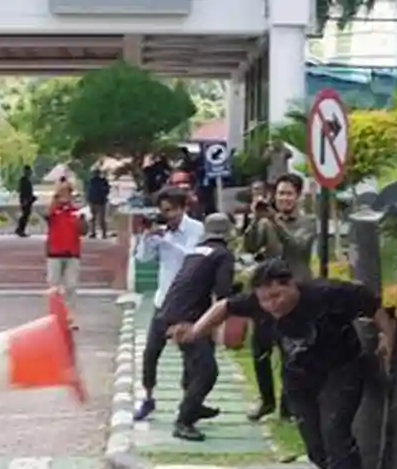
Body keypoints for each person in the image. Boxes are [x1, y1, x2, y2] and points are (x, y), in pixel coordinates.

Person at [180, 260, 396, 469]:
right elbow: (224, 308)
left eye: (278, 296)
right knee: (317, 449)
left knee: (335, 433)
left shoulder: (326, 294)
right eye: (265, 300)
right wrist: (195, 332)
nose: (272, 305)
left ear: (291, 285)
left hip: (342, 370)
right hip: (299, 378)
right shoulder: (257, 303)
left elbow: (372, 305)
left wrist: (387, 336)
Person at [242, 174, 318, 422]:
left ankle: (289, 406)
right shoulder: (266, 222)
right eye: (281, 193)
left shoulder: (308, 222)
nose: (284, 198)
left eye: (289, 194)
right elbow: (250, 247)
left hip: (296, 292)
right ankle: (266, 401)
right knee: (260, 350)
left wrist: (275, 222)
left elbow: (297, 247)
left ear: (297, 196)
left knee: (292, 352)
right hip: (268, 292)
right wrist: (256, 219)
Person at [159, 213, 237, 441]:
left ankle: (193, 405)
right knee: (207, 371)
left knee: (193, 365)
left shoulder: (196, 251)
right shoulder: (223, 255)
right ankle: (183, 421)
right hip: (189, 318)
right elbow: (223, 292)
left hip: (172, 310)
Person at [132, 187, 205, 422]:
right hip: (162, 301)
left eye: (171, 211)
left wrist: (168, 241)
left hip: (188, 302)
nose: (168, 216)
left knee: (190, 357)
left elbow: (193, 258)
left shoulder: (196, 229)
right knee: (151, 352)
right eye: (163, 211)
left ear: (183, 208)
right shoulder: (161, 231)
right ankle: (148, 397)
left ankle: (189, 402)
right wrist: (147, 237)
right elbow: (142, 258)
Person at [45, 182, 86, 318]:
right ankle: (54, 315)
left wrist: (82, 218)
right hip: (55, 252)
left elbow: (83, 230)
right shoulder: (54, 210)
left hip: (72, 252)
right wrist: (56, 198)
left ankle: (70, 316)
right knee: (53, 286)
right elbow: (47, 214)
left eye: (67, 192)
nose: (65, 196)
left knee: (71, 286)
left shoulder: (75, 212)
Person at [85, 168, 111, 239]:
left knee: (98, 218)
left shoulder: (97, 181)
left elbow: (107, 190)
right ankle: (96, 233)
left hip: (98, 201)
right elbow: (107, 190)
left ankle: (100, 233)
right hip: (97, 201)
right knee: (97, 218)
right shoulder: (94, 181)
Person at [16, 166, 35, 237]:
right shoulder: (24, 181)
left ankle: (20, 229)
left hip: (28, 200)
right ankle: (20, 229)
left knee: (26, 214)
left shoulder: (27, 180)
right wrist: (25, 200)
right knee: (25, 215)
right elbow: (22, 191)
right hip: (25, 200)